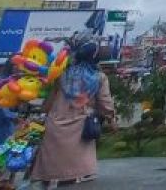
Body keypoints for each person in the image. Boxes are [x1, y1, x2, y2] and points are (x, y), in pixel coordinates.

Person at [31, 32, 115, 186]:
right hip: (81, 126)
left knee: (49, 171)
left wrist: (43, 113)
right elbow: (105, 103)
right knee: (75, 174)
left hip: (55, 123)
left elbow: (51, 98)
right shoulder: (98, 77)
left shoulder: (61, 74)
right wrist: (110, 117)